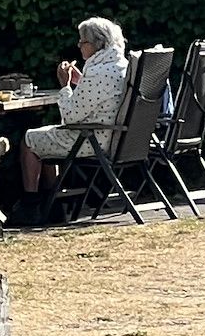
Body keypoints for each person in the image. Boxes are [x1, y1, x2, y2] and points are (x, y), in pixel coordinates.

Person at [16, 16, 129, 216]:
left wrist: (66, 85)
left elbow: (70, 117)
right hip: (115, 138)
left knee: (29, 140)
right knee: (48, 136)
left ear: (97, 44)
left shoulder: (98, 72)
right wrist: (81, 80)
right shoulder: (121, 65)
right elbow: (101, 97)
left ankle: (31, 206)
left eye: (82, 41)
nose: (78, 45)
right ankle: (53, 206)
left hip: (91, 139)